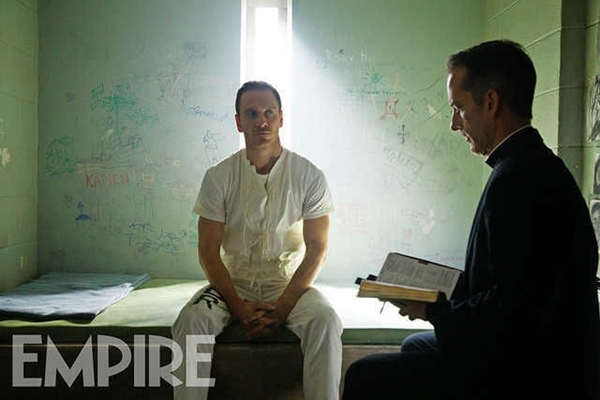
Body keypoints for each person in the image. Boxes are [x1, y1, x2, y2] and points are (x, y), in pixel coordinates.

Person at [343, 40, 600, 400]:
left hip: (530, 371)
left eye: (459, 108)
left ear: (491, 103)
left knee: (363, 376)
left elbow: (514, 311)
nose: (454, 123)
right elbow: (512, 280)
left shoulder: (517, 180)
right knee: (416, 345)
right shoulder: (532, 165)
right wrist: (437, 292)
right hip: (539, 351)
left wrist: (434, 309)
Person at [172, 81, 343, 400]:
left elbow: (317, 250)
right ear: (239, 122)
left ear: (281, 118)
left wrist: (282, 308)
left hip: (288, 285)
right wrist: (239, 307)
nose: (261, 121)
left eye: (269, 113)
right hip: (232, 284)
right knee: (192, 319)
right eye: (251, 114)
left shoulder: (308, 175)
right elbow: (208, 252)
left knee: (326, 320)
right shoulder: (219, 176)